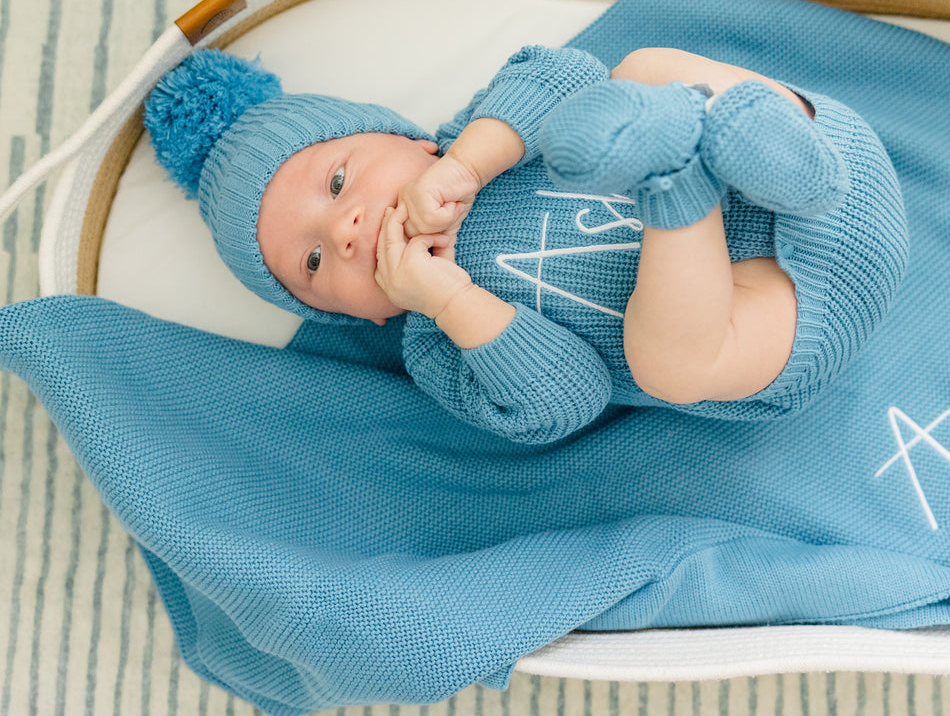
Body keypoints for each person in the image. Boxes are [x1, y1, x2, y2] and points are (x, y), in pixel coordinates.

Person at [144, 43, 908, 443]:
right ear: (360, 317)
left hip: (826, 177)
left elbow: (557, 70)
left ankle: (762, 150)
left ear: (407, 138)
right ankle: (677, 181)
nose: (342, 228)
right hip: (793, 314)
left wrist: (473, 161)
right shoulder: (438, 349)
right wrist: (450, 299)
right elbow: (563, 398)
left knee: (636, 70)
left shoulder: (478, 137)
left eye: (339, 180)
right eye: (311, 263)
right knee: (669, 367)